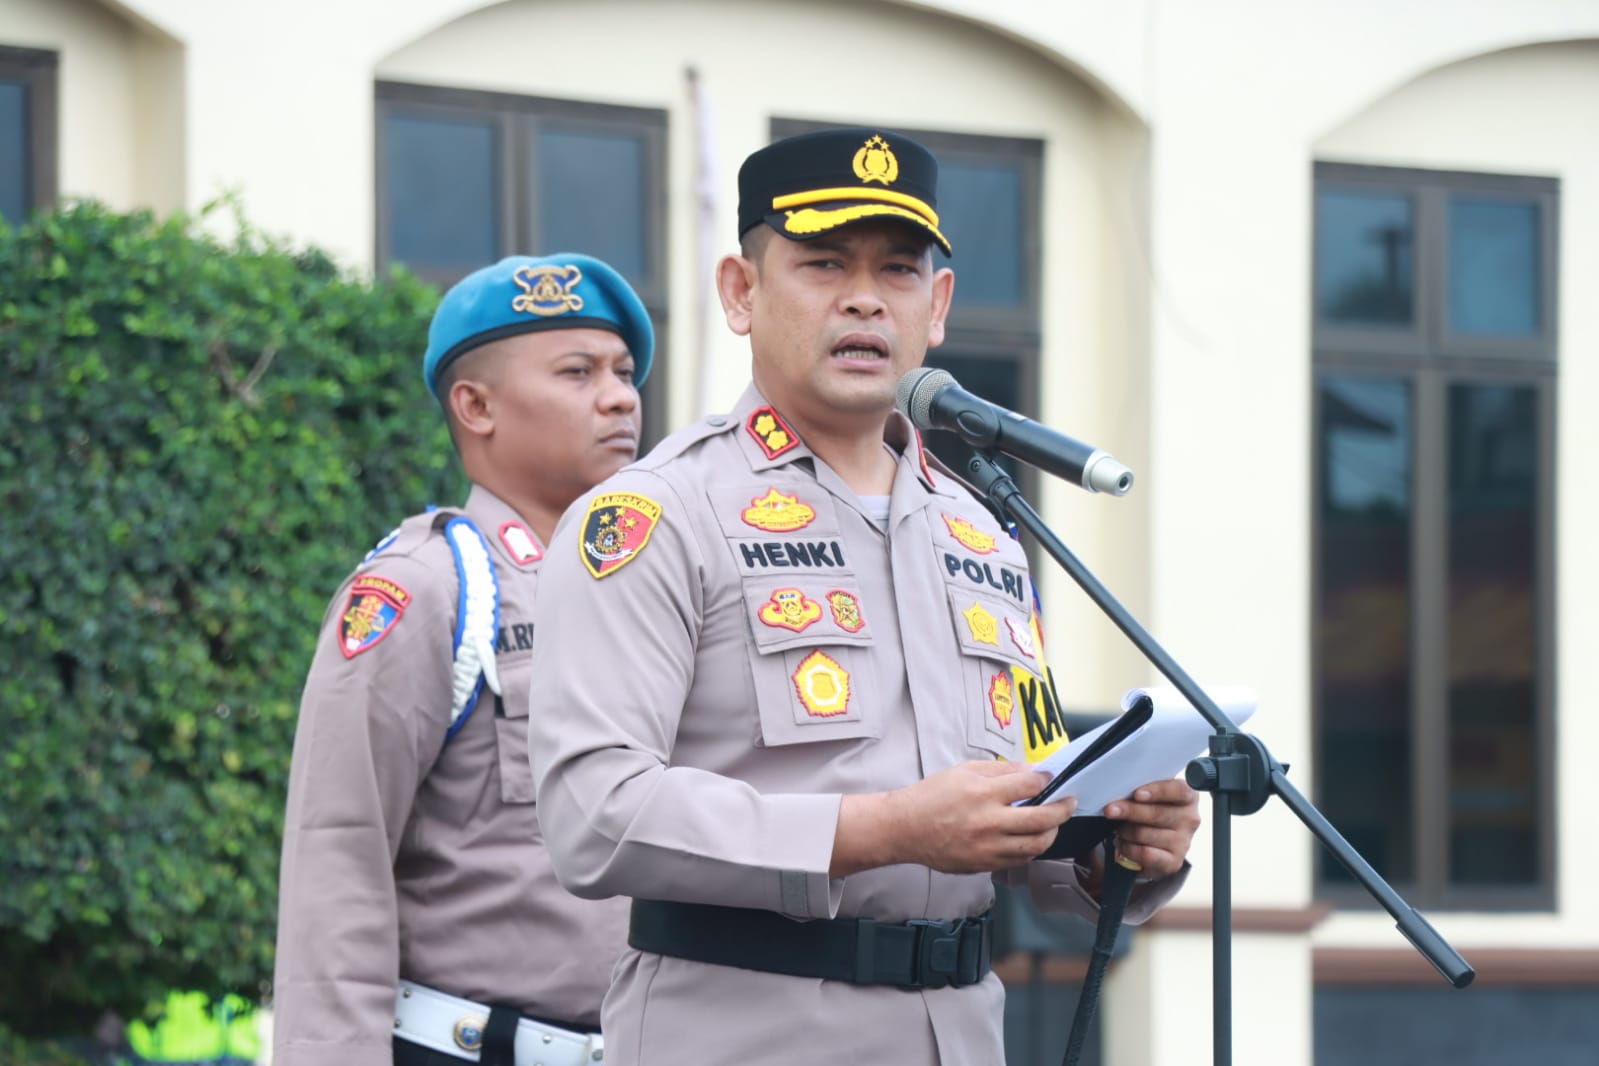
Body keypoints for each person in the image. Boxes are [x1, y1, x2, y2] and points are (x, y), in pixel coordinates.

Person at [525, 128, 1201, 1065]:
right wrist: (881, 830)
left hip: (959, 1032)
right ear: (739, 290)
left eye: (897, 270)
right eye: (822, 263)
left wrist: (1112, 852)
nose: (862, 297)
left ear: (938, 306)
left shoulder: (985, 532)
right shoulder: (657, 516)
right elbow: (592, 816)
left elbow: (1030, 827)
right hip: (742, 1032)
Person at [272, 252, 655, 1066]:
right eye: (578, 371)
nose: (620, 396)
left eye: (624, 371)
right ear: (475, 405)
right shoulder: (425, 588)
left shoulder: (654, 591)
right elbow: (339, 850)